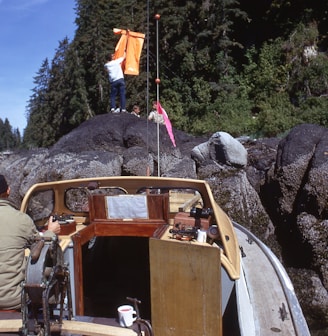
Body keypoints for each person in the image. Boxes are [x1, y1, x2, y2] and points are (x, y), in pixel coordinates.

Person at [0, 175, 60, 311]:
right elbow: (43, 253)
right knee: (54, 272)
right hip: (13, 300)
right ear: (8, 191)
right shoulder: (21, 219)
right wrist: (51, 232)